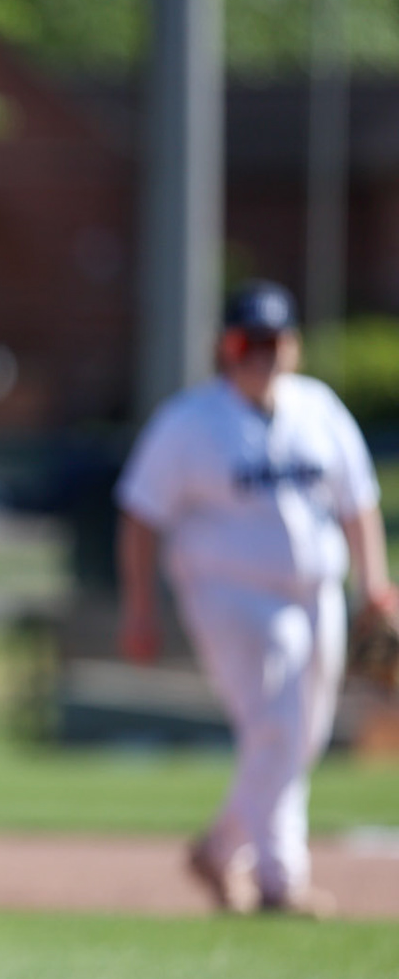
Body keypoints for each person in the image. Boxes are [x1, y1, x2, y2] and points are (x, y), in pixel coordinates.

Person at [116, 279, 393, 916]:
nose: (261, 355)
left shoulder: (317, 408)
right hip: (227, 592)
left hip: (316, 590)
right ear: (226, 346)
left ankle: (222, 849)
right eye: (249, 341)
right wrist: (139, 607)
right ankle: (279, 877)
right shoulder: (189, 423)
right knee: (277, 727)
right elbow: (139, 514)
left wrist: (373, 583)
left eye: (273, 341)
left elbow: (358, 500)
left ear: (293, 346)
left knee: (304, 734)